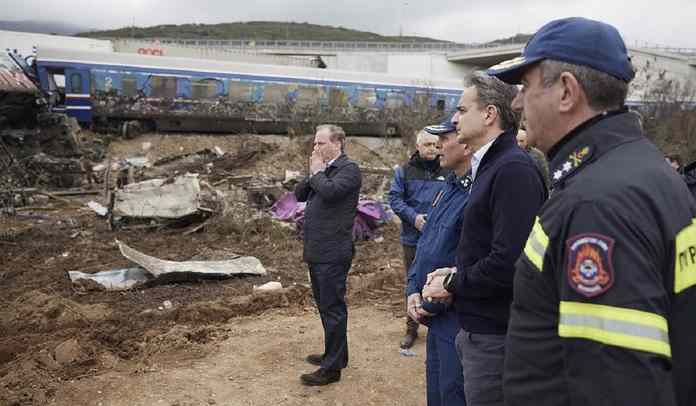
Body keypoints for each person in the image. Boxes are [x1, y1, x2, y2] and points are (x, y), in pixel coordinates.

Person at [485, 17, 696, 406]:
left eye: (526, 86)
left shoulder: (596, 205)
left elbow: (620, 386)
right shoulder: (644, 169)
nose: (516, 102)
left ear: (566, 91)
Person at [422, 72, 547, 406]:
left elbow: (511, 263)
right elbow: (491, 247)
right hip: (480, 328)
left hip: (496, 334)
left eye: (462, 110)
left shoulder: (511, 169)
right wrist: (453, 270)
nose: (454, 118)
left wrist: (452, 281)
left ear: (489, 114)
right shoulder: (492, 166)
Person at [406, 120, 472, 406]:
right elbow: (426, 245)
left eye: (445, 139)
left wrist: (433, 296)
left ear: (467, 144)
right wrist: (412, 288)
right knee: (436, 391)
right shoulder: (448, 187)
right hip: (432, 312)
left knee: (453, 393)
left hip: (454, 315)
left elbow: (469, 259)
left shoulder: (476, 193)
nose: (438, 147)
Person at [294, 124, 362, 386]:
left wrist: (318, 173)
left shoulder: (349, 170)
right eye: (314, 144)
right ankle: (337, 354)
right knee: (326, 306)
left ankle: (331, 369)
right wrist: (312, 172)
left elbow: (331, 192)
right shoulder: (323, 170)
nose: (316, 148)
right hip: (317, 250)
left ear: (338, 143)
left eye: (321, 143)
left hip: (333, 253)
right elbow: (300, 194)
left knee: (333, 308)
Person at [388, 129, 450, 349]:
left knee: (440, 281)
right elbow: (394, 199)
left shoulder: (448, 170)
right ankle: (411, 327)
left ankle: (438, 326)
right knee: (412, 282)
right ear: (418, 147)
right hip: (412, 237)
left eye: (435, 145)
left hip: (441, 238)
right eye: (427, 145)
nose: (432, 149)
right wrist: (414, 219)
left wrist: (435, 221)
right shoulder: (404, 171)